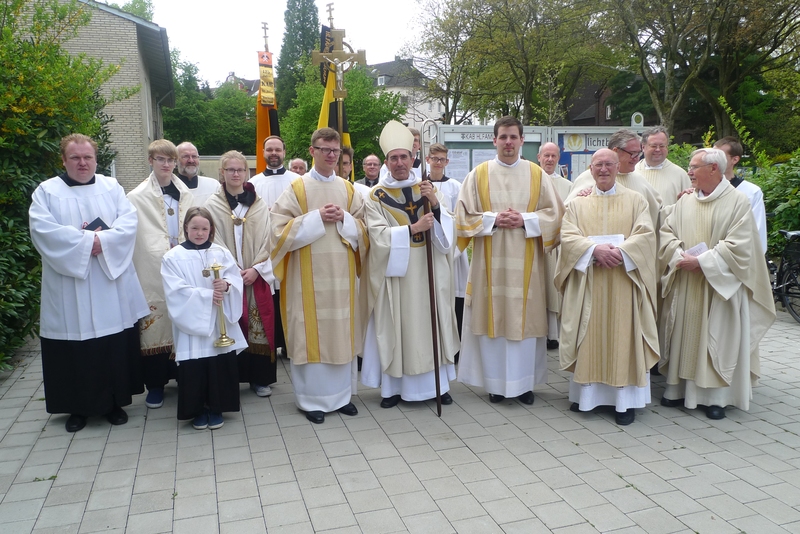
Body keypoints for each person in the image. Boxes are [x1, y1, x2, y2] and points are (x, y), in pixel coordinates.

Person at [29, 133, 149, 432]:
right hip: (70, 285)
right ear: (64, 160)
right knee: (74, 345)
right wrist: (89, 243)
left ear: (97, 160)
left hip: (108, 282)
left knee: (112, 342)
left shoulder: (111, 187)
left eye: (88, 158)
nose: (82, 163)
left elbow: (128, 223)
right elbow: (43, 232)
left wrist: (102, 242)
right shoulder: (47, 192)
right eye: (75, 158)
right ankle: (76, 408)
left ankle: (114, 402)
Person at [659, 148, 775, 420]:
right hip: (687, 283)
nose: (689, 172)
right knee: (686, 336)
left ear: (714, 169)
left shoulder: (737, 202)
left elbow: (742, 246)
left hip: (720, 288)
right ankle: (678, 391)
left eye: (694, 166)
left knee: (718, 340)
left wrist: (703, 262)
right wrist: (678, 255)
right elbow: (666, 232)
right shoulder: (685, 201)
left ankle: (717, 399)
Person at [456, 116, 565, 405]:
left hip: (526, 267)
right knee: (495, 326)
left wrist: (524, 219)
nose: (507, 142)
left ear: (522, 140)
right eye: (502, 137)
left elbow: (555, 216)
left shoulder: (536, 174)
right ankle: (496, 385)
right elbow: (462, 218)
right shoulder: (478, 175)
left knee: (524, 326)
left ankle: (524, 385)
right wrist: (492, 219)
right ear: (494, 140)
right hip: (489, 268)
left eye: (513, 137)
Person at [268, 127, 368, 424]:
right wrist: (315, 218)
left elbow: (365, 229)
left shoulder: (349, 189)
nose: (331, 155)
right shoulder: (298, 189)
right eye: (325, 149)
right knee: (310, 333)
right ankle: (310, 400)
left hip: (342, 279)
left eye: (335, 151)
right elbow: (276, 231)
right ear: (312, 151)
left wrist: (346, 220)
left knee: (340, 334)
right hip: (305, 280)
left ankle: (342, 397)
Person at [555, 149, 659, 426]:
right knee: (590, 334)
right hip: (589, 281)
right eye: (598, 165)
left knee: (622, 337)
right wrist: (593, 249)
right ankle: (586, 398)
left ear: (618, 167)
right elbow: (566, 235)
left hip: (623, 281)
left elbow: (646, 235)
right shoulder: (577, 204)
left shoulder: (636, 200)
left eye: (609, 164)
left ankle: (625, 404)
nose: (603, 169)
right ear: (590, 169)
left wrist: (620, 253)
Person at [361, 123, 460, 408]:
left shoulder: (427, 187)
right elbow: (377, 237)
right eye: (393, 158)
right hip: (398, 275)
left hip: (431, 270)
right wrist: (414, 227)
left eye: (404, 156)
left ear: (412, 157)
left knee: (434, 322)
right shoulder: (375, 196)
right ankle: (394, 389)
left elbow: (448, 232)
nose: (400, 163)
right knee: (398, 326)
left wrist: (435, 206)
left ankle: (438, 386)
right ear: (387, 162)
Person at [161, 207, 247, 430]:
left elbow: (235, 278)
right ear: (186, 228)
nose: (199, 233)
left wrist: (227, 285)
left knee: (218, 363)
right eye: (194, 228)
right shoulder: (173, 257)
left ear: (211, 230)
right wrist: (208, 295)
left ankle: (217, 408)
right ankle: (197, 410)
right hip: (192, 321)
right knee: (195, 366)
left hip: (219, 322)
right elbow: (175, 291)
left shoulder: (221, 252)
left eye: (204, 229)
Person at [127, 139, 194, 409]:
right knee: (155, 324)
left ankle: (181, 376)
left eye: (171, 160)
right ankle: (155, 385)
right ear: (150, 161)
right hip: (151, 267)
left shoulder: (186, 193)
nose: (167, 165)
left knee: (183, 320)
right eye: (161, 160)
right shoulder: (136, 197)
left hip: (182, 265)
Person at [204, 151, 276, 397]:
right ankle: (230, 379)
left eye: (240, 170)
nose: (236, 174)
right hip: (228, 277)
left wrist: (257, 269)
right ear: (221, 173)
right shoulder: (211, 205)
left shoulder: (259, 204)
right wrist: (233, 271)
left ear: (247, 173)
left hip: (255, 274)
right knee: (231, 323)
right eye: (230, 170)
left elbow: (270, 238)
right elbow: (213, 240)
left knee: (258, 326)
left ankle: (259, 379)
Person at [248, 135, 298, 360]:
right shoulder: (254, 183)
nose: (274, 153)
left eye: (278, 149)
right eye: (270, 149)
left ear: (284, 152)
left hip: (292, 246)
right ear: (263, 152)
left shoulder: (297, 181)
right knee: (270, 296)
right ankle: (270, 343)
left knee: (291, 295)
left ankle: (291, 343)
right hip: (264, 247)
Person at [426, 142, 468, 361]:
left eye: (442, 159)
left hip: (452, 248)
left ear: (447, 162)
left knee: (454, 295)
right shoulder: (420, 184)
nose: (438, 163)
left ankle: (456, 344)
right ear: (428, 160)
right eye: (435, 159)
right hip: (428, 246)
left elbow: (459, 217)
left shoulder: (454, 186)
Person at [537, 142, 573, 350]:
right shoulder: (531, 181)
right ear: (539, 157)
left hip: (558, 245)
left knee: (555, 289)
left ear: (558, 158)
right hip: (537, 243)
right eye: (546, 156)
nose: (550, 160)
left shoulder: (568, 186)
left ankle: (554, 333)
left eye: (553, 156)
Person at [714, 137, 767, 254]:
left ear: (735, 159)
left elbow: (757, 232)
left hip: (737, 258)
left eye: (719, 155)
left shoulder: (751, 192)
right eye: (712, 155)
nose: (714, 160)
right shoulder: (704, 190)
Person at [634, 126, 691, 206]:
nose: (658, 150)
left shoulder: (680, 175)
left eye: (662, 146)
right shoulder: (633, 172)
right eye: (653, 146)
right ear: (643, 147)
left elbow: (688, 206)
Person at [176, 142, 220, 206]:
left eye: (194, 156)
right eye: (186, 156)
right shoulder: (171, 187)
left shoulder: (213, 186)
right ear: (176, 161)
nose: (191, 161)